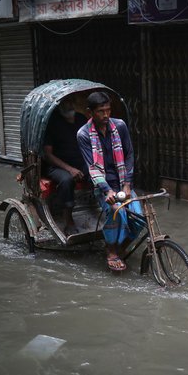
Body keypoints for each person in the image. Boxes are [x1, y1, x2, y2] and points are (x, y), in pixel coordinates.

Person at [77, 91, 135, 271]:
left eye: (108, 110)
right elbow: (92, 168)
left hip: (122, 180)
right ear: (90, 113)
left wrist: (126, 184)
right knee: (116, 211)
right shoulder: (84, 134)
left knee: (141, 217)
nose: (106, 115)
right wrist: (106, 190)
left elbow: (129, 154)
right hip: (101, 185)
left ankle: (121, 246)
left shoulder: (120, 126)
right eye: (101, 111)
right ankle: (111, 250)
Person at [43, 101, 88, 236]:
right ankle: (68, 219)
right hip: (57, 165)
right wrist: (70, 169)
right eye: (65, 103)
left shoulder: (81, 119)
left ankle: (99, 210)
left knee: (98, 173)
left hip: (79, 162)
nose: (70, 105)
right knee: (67, 180)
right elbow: (48, 155)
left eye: (71, 101)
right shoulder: (52, 123)